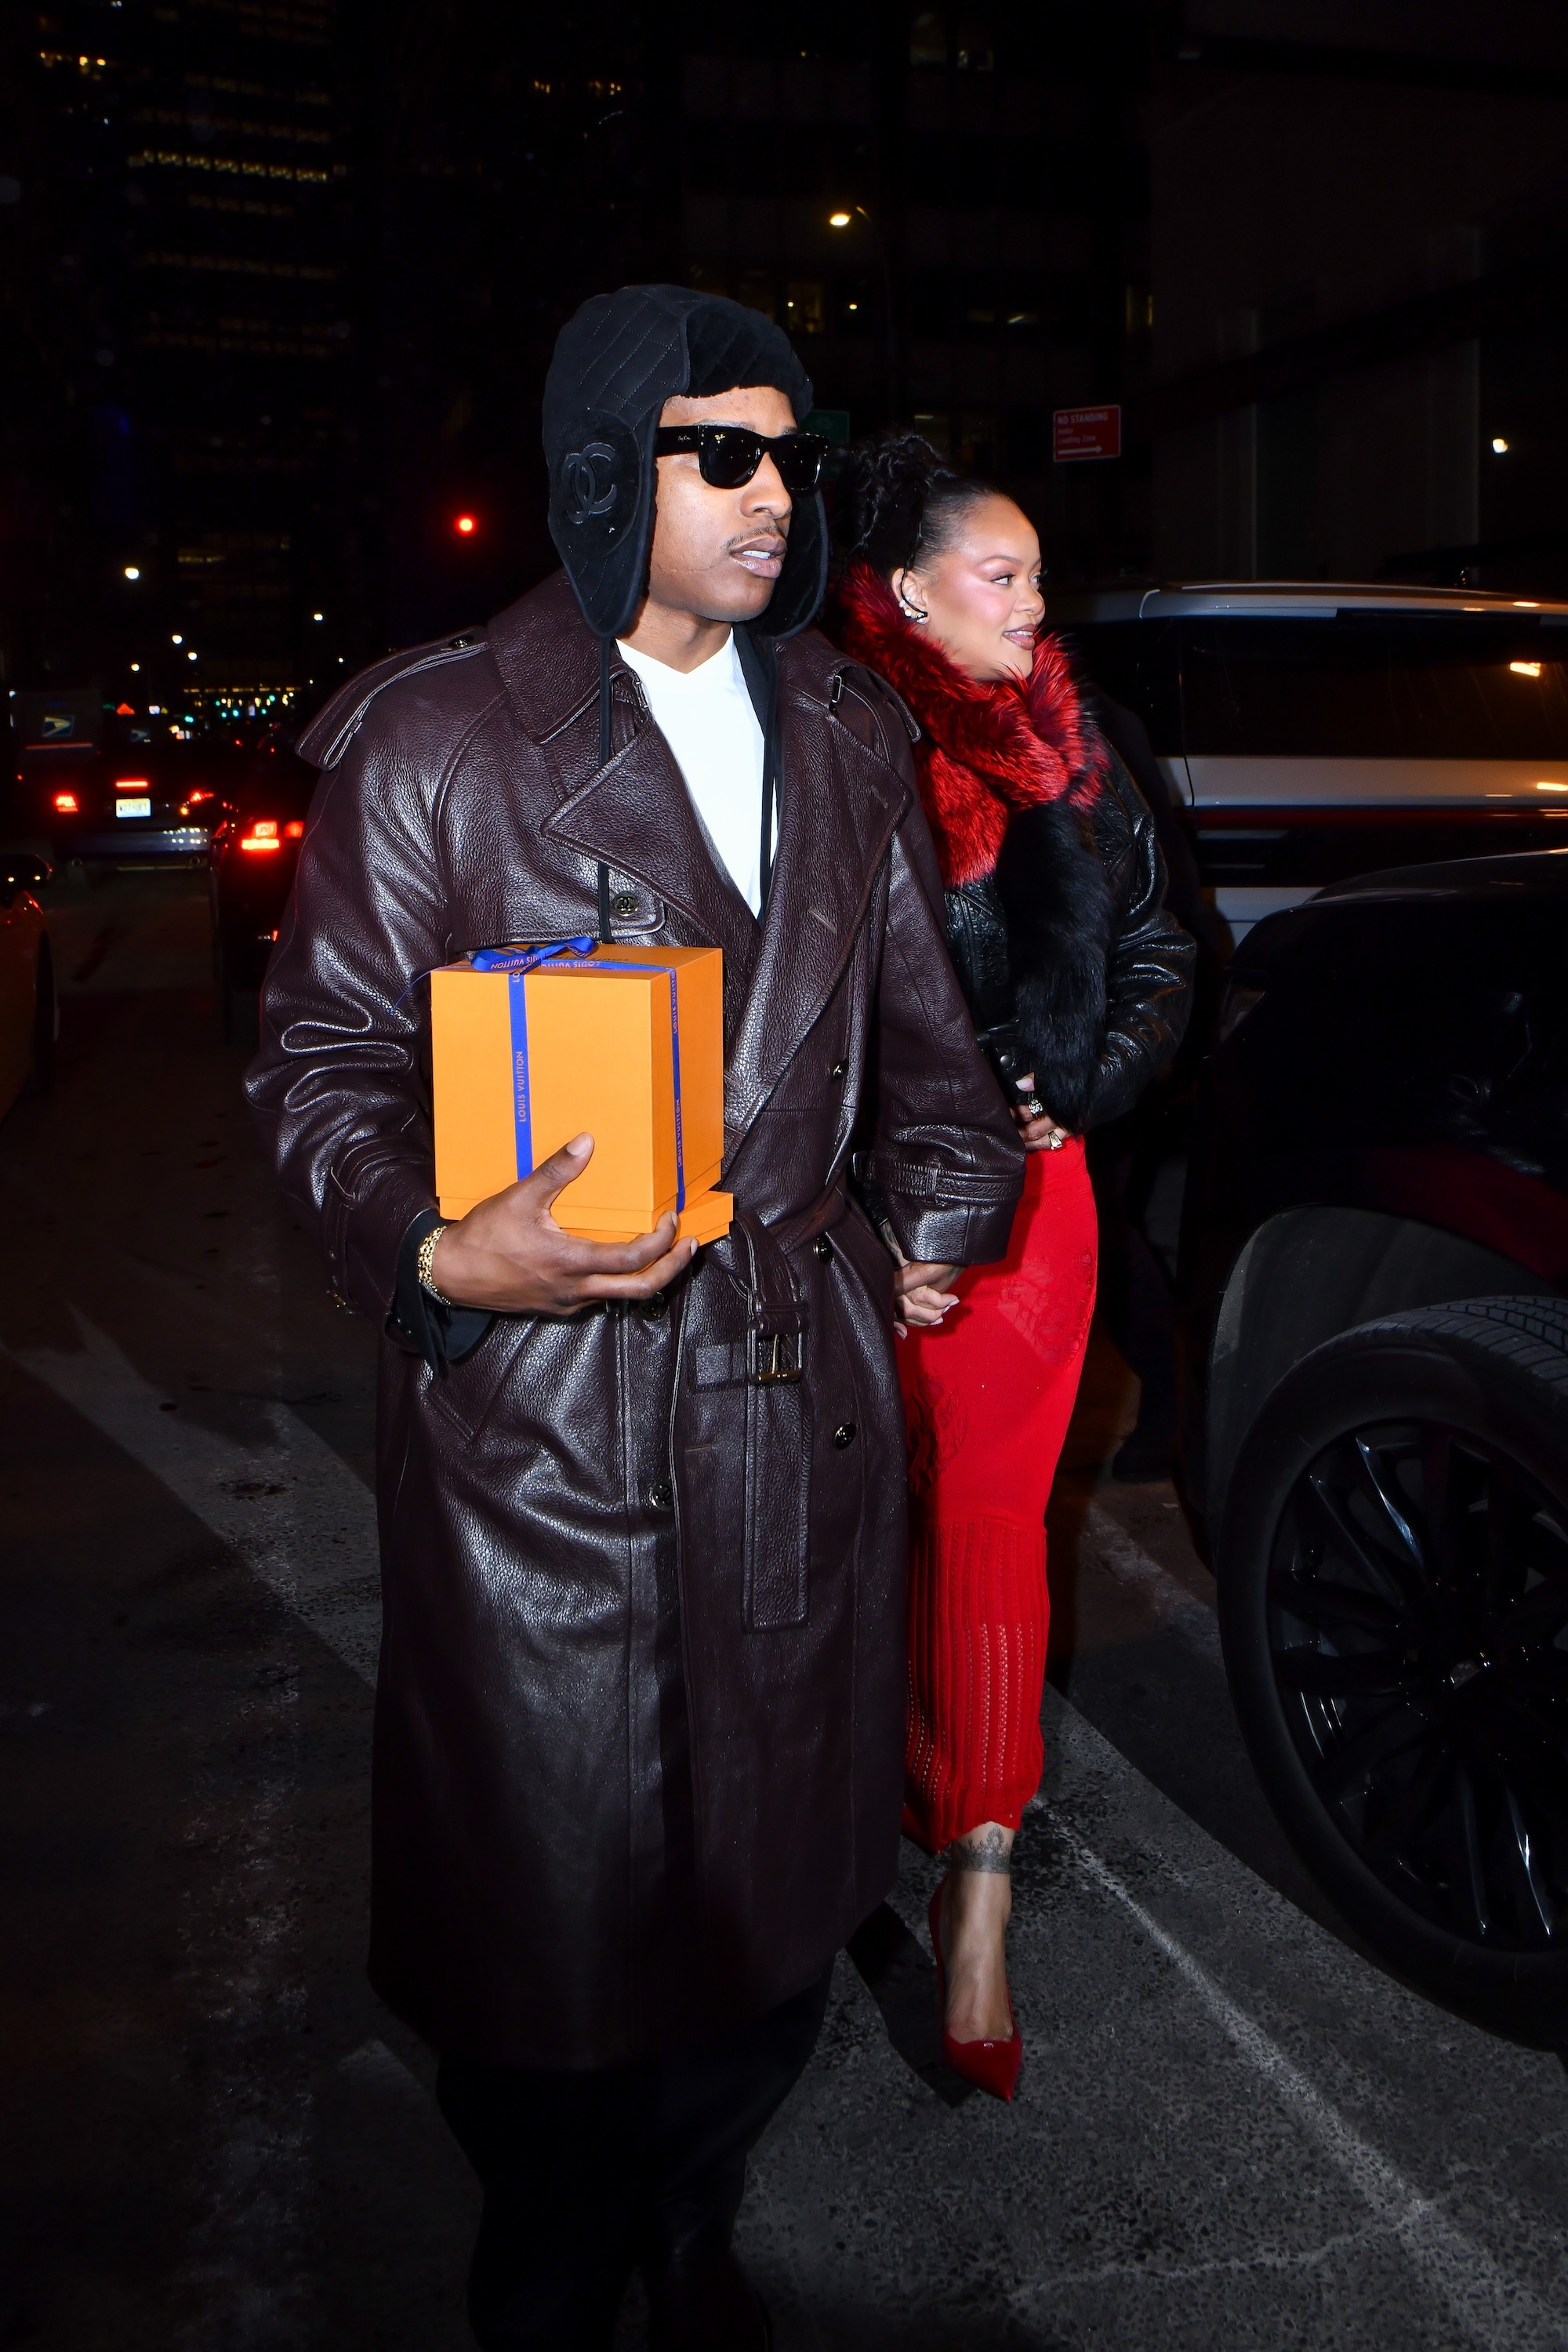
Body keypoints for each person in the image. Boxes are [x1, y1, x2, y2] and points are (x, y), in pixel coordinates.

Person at [245, 295, 1023, 2350]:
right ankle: (559, 2262)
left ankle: (693, 2226)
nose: (779, 497)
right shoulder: (435, 736)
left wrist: (936, 1215)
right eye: (723, 456)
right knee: (553, 1926)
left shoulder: (852, 728)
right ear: (607, 472)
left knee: (776, 1902)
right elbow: (320, 1063)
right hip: (549, 1421)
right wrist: (433, 1252)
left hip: (801, 1395)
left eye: (792, 454)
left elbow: (924, 1045)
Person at [832, 437, 1194, 2100]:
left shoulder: (1085, 749)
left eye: (1040, 577)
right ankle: (856, 1803)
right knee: (856, 1525)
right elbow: (783, 1008)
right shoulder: (829, 744)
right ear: (906, 589)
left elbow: (1162, 950)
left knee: (985, 1521)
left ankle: (975, 1886)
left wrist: (1093, 1078)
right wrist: (867, 1199)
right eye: (1000, 574)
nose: (1033, 605)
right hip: (866, 1219)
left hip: (1038, 1204)